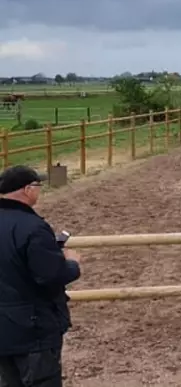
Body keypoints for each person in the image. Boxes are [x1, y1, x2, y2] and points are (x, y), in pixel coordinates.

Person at [0, 165, 81, 387]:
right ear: (27, 189)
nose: (39, 190)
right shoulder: (33, 227)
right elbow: (50, 276)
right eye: (38, 186)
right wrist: (72, 264)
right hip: (33, 329)